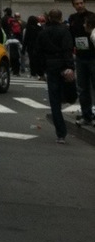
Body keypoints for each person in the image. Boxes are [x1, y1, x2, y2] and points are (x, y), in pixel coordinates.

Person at [35, 8, 75, 143]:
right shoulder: (65, 31)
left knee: (54, 101)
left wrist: (41, 70)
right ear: (61, 17)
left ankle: (61, 133)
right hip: (63, 66)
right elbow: (68, 50)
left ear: (49, 18)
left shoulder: (43, 33)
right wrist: (70, 66)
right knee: (69, 90)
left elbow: (38, 52)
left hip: (50, 67)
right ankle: (69, 100)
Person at [68, 0, 95, 126]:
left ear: (84, 3)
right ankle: (87, 115)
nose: (79, 5)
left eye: (81, 3)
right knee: (83, 88)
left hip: (93, 56)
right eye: (77, 4)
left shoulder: (92, 16)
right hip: (80, 56)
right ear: (73, 5)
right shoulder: (72, 18)